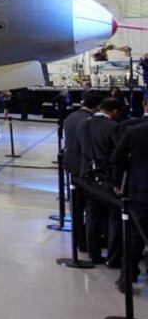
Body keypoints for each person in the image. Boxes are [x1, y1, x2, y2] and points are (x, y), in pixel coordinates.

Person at [80, 98, 124, 264]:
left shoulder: (84, 123)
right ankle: (113, 257)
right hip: (107, 176)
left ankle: (94, 253)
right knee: (114, 216)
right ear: (114, 112)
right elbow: (119, 155)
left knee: (92, 214)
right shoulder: (113, 127)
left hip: (88, 176)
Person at [63, 91, 105, 252]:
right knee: (91, 207)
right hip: (84, 168)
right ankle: (88, 242)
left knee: (77, 208)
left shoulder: (72, 117)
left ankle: (80, 240)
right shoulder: (89, 121)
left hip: (71, 164)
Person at [111, 118, 148, 289]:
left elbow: (117, 158)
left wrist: (119, 183)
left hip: (140, 190)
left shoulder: (134, 131)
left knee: (134, 237)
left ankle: (127, 277)